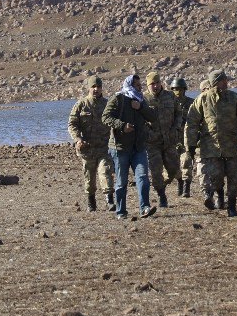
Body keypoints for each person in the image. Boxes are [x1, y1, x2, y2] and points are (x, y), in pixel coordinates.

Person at [184, 70, 237, 217]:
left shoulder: (234, 98)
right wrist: (190, 145)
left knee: (233, 176)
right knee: (216, 176)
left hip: (231, 145)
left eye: (226, 80)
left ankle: (232, 206)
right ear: (215, 82)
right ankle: (219, 197)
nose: (226, 83)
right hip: (211, 147)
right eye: (222, 81)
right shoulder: (202, 100)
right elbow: (192, 123)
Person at [102, 74, 158, 219]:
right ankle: (121, 212)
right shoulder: (118, 99)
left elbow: (152, 117)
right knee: (121, 181)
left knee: (143, 177)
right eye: (137, 85)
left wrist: (140, 108)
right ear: (130, 85)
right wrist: (122, 126)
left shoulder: (140, 100)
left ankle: (145, 208)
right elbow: (106, 117)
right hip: (120, 148)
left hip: (139, 147)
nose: (140, 87)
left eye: (141, 85)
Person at [67, 76, 114, 212]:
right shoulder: (81, 104)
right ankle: (91, 202)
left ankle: (110, 200)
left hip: (104, 147)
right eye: (93, 87)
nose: (96, 89)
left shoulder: (107, 104)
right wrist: (77, 139)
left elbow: (115, 122)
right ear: (88, 88)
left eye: (98, 87)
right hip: (87, 149)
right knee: (89, 177)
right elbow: (72, 124)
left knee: (105, 171)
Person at [144, 72, 182, 207]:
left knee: (174, 169)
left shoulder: (170, 96)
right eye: (152, 84)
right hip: (152, 143)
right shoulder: (143, 99)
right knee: (156, 171)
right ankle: (161, 195)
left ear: (161, 83)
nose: (155, 86)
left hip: (169, 140)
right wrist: (149, 133)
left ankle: (163, 184)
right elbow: (140, 120)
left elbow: (179, 113)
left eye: (157, 83)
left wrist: (176, 128)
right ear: (148, 85)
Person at [170, 78, 195, 198]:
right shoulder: (168, 104)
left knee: (186, 162)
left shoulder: (192, 103)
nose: (177, 91)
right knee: (173, 165)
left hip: (187, 138)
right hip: (173, 139)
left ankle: (186, 188)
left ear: (184, 90)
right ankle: (180, 181)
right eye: (175, 89)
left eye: (179, 89)